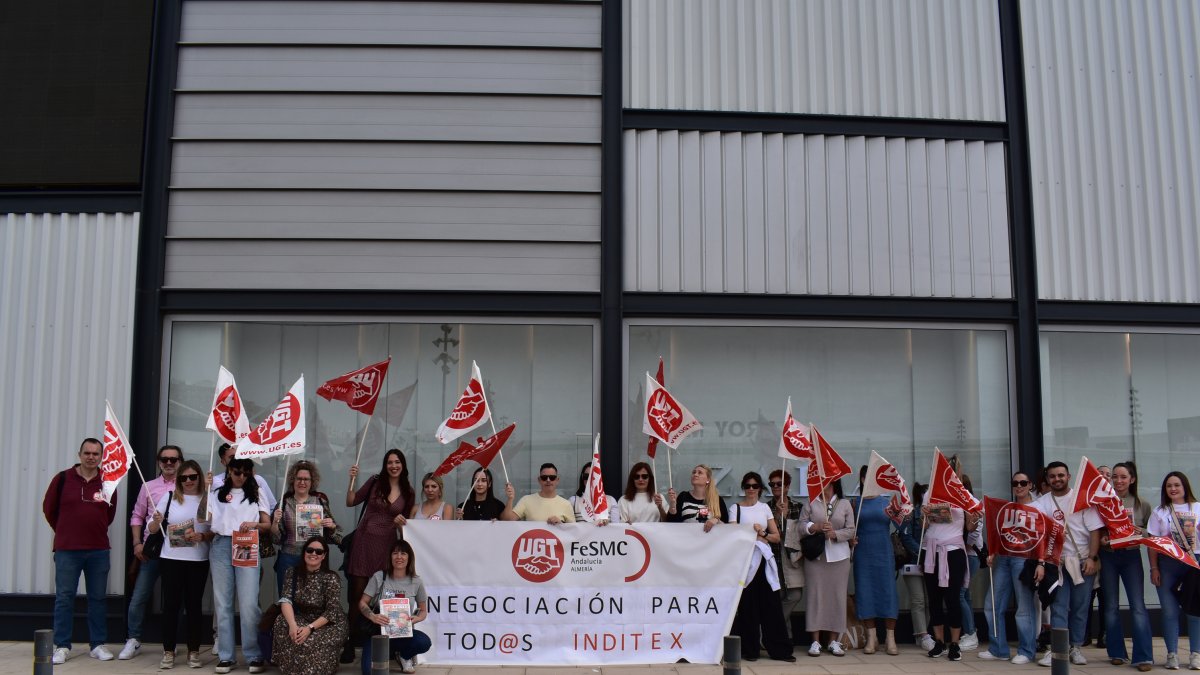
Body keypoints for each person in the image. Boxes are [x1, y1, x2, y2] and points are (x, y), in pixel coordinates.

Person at [42, 438, 119, 664]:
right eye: (87, 453)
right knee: (65, 598)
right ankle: (62, 646)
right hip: (67, 550)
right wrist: (66, 531)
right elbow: (49, 509)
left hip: (98, 550)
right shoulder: (63, 478)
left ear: (101, 456)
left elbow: (109, 515)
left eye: (96, 453)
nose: (91, 457)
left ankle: (97, 644)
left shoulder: (107, 482)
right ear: (79, 454)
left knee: (97, 598)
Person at [345, 449, 415, 661]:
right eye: (389, 462)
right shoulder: (375, 482)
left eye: (397, 462)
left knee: (385, 596)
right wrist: (351, 480)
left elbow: (407, 526)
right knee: (357, 595)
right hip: (364, 543)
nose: (393, 466)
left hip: (387, 547)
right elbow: (351, 501)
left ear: (403, 465)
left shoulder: (409, 492)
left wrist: (401, 524)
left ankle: (387, 642)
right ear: (385, 465)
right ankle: (350, 642)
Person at [1032, 460, 1103, 667]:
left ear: (1068, 476)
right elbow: (1038, 537)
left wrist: (1092, 558)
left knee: (1080, 607)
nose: (1057, 479)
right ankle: (1057, 649)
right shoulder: (1041, 504)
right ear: (1047, 479)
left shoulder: (1082, 500)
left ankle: (1076, 647)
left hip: (1082, 562)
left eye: (1061, 475)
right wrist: (1041, 563)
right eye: (1053, 476)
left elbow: (1095, 532)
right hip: (1057, 564)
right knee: (1059, 607)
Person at [208, 457, 271, 673]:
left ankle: (253, 654)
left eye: (245, 472)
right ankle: (226, 655)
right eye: (237, 472)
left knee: (248, 601)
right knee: (223, 602)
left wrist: (254, 524)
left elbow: (267, 524)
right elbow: (203, 517)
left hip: (246, 541)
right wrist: (206, 488)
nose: (241, 476)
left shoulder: (257, 491)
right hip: (222, 543)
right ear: (229, 471)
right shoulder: (216, 492)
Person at [122, 444, 184, 660]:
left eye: (173, 460)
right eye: (164, 459)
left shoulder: (188, 486)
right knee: (139, 596)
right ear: (159, 462)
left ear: (180, 462)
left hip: (177, 551)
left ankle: (170, 642)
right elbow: (137, 516)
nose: (169, 463)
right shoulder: (148, 486)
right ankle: (134, 639)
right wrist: (137, 543)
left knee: (174, 599)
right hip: (152, 550)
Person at [148, 459, 211, 669]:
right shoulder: (169, 498)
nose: (189, 481)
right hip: (171, 559)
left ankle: (194, 651)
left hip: (198, 560)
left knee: (194, 607)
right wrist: (156, 521)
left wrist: (202, 537)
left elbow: (215, 530)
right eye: (184, 477)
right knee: (171, 607)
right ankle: (168, 651)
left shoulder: (207, 499)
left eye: (193, 477)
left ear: (199, 477)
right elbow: (153, 528)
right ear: (179, 480)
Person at [729, 472, 795, 662]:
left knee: (771, 607)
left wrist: (761, 533)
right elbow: (734, 534)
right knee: (748, 607)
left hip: (764, 561)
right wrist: (755, 535)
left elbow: (775, 536)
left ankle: (779, 649)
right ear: (744, 487)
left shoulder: (765, 507)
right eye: (748, 486)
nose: (751, 489)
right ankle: (751, 649)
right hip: (746, 561)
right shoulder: (735, 508)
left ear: (760, 488)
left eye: (755, 486)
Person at [979, 471, 1037, 664]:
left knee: (1024, 607)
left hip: (1024, 559)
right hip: (1004, 559)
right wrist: (993, 553)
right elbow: (999, 535)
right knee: (992, 605)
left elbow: (1043, 538)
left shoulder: (1038, 507)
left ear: (1030, 485)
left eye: (1023, 482)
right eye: (1015, 483)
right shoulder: (1007, 508)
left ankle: (1027, 651)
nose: (1019, 486)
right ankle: (998, 649)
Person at [1099, 461, 1152, 671]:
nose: (1118, 481)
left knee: (1137, 606)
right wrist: (1103, 538)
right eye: (1115, 477)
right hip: (1109, 557)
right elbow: (1097, 528)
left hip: (1131, 557)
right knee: (1111, 607)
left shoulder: (1142, 504)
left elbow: (1154, 530)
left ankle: (1144, 656)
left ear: (1132, 479)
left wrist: (1142, 532)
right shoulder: (1104, 501)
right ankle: (1116, 652)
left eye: (1123, 477)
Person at [272, 536, 348, 675]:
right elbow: (286, 600)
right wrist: (293, 625)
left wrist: (309, 628)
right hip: (303, 617)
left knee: (309, 642)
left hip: (327, 623)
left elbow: (331, 612)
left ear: (324, 556)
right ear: (304, 552)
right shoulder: (292, 573)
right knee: (281, 623)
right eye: (310, 550)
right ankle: (294, 666)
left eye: (319, 552)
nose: (314, 554)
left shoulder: (331, 578)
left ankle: (313, 667)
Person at [1148, 471, 1200, 670]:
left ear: (1185, 486)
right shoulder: (1159, 512)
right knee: (1169, 612)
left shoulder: (1197, 508)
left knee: (1194, 611)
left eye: (1177, 485)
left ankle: (1195, 654)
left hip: (1193, 564)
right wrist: (1154, 568)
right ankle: (1172, 654)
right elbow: (1152, 544)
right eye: (1169, 485)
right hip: (1167, 564)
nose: (1173, 489)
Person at [798, 479, 855, 657]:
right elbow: (800, 526)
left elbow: (852, 530)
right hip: (816, 557)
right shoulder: (811, 502)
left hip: (839, 557)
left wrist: (835, 534)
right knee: (815, 596)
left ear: (833, 483)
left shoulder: (844, 504)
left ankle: (833, 641)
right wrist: (815, 527)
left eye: (825, 480)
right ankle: (815, 641)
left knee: (837, 597)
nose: (821, 483)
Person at [358, 540, 432, 675]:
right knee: (369, 672)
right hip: (378, 634)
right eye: (395, 553)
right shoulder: (379, 577)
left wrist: (415, 619)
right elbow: (362, 603)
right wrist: (372, 616)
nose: (399, 557)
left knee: (424, 642)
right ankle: (384, 653)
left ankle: (404, 656)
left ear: (409, 558)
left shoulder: (416, 581)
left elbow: (423, 610)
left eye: (403, 553)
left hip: (402, 633)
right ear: (390, 557)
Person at [920, 496, 980, 661]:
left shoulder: (963, 494)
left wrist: (975, 520)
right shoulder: (929, 493)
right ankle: (939, 641)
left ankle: (954, 643)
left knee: (953, 597)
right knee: (934, 597)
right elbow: (924, 525)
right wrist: (923, 515)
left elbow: (969, 526)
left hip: (953, 550)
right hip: (931, 549)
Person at [271, 460, 342, 596]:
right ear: (293, 480)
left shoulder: (320, 502)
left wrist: (331, 525)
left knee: (313, 600)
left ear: (312, 482)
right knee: (287, 600)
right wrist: (274, 522)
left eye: (306, 479)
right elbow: (276, 539)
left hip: (314, 558)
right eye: (299, 478)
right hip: (289, 558)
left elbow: (336, 535)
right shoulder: (284, 503)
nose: (302, 482)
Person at [852, 465, 899, 655]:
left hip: (884, 552)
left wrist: (904, 510)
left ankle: (890, 638)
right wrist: (850, 539)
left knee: (888, 592)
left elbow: (901, 524)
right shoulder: (855, 503)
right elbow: (849, 527)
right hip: (863, 553)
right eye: (867, 477)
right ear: (862, 480)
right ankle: (872, 637)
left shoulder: (887, 502)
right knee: (865, 592)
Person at [767, 469, 804, 640]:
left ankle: (772, 628)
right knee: (780, 595)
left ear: (787, 487)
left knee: (795, 594)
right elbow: (768, 531)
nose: (775, 487)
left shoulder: (798, 507)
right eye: (772, 484)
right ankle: (785, 637)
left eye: (779, 484)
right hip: (774, 557)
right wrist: (777, 515)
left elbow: (803, 531)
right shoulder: (766, 507)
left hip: (793, 558)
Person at [898, 482, 933, 651]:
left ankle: (923, 634)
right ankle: (922, 634)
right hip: (914, 562)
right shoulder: (912, 514)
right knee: (918, 599)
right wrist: (921, 553)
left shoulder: (935, 515)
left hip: (931, 562)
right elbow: (904, 536)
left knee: (928, 600)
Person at [957, 473, 982, 651]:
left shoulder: (971, 503)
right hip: (965, 554)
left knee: (960, 593)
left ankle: (971, 632)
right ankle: (970, 631)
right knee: (965, 595)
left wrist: (963, 545)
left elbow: (975, 532)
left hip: (969, 554)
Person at [667, 465, 729, 530]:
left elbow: (726, 528)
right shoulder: (683, 496)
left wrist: (716, 520)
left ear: (708, 479)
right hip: (687, 538)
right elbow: (671, 524)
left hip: (710, 539)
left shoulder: (717, 500)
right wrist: (672, 505)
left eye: (700, 473)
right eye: (694, 472)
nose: (695, 474)